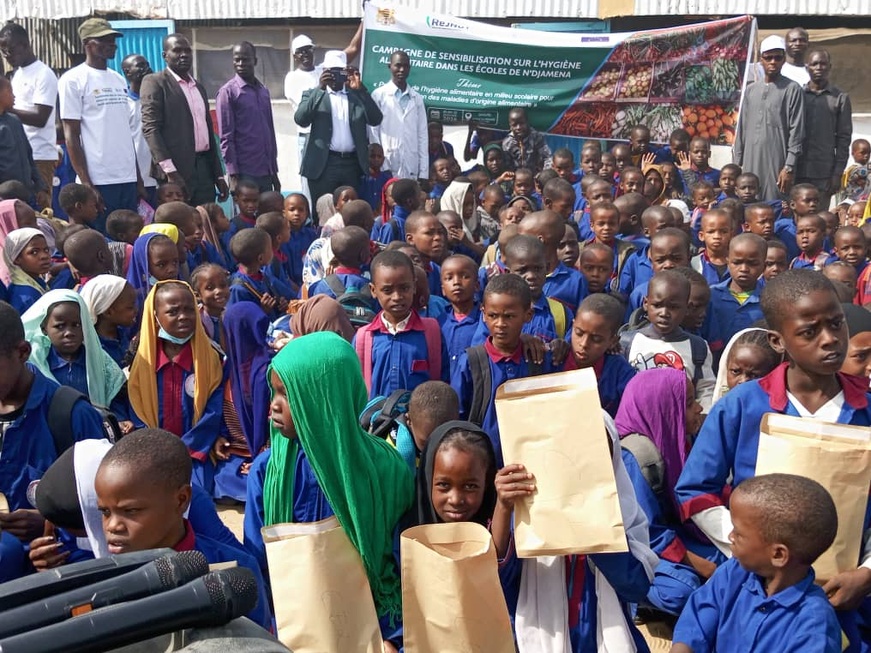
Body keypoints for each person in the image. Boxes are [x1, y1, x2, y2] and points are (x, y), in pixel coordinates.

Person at [244, 331, 412, 648]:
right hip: (294, 624)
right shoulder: (269, 472)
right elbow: (258, 561)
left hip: (371, 625)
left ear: (325, 398)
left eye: (286, 394)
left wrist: (393, 638)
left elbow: (397, 564)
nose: (273, 407)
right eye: (274, 393)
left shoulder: (385, 470)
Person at [94, 429, 271, 629]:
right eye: (105, 512)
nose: (112, 525)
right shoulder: (101, 580)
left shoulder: (235, 572)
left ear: (181, 500)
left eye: (131, 510)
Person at [670, 474, 841, 653]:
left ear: (778, 554)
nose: (730, 537)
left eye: (738, 533)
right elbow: (696, 621)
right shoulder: (734, 572)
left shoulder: (813, 629)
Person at [0, 301, 103, 544]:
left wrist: (52, 524)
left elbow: (106, 513)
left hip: (56, 567)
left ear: (23, 352)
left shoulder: (70, 414)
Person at [616, 369, 712, 616]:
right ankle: (635, 600)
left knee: (734, 563)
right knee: (682, 591)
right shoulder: (634, 458)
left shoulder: (678, 439)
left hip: (675, 535)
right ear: (663, 409)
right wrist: (705, 568)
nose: (699, 409)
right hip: (640, 549)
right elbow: (650, 536)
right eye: (689, 403)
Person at [128, 281, 225, 491]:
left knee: (196, 492)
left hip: (194, 451)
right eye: (173, 311)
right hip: (152, 452)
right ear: (155, 316)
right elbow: (137, 408)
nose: (183, 317)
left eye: (189, 309)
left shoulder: (209, 359)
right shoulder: (143, 363)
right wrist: (156, 447)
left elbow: (213, 409)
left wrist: (186, 447)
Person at [451, 273, 555, 466]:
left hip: (532, 460)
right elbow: (458, 416)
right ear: (483, 313)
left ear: (528, 315)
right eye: (493, 316)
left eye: (509, 316)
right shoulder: (471, 362)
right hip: (483, 463)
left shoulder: (537, 358)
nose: (500, 324)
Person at [59, 18, 138, 234]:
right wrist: (87, 184)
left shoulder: (118, 80)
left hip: (127, 177)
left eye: (112, 40)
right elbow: (71, 135)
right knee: (103, 240)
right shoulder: (73, 79)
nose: (111, 44)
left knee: (128, 238)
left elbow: (125, 131)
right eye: (103, 40)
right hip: (100, 178)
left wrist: (137, 177)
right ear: (87, 43)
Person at [21, 289, 134, 430]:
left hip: (94, 431)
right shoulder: (36, 365)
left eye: (76, 325)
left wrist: (120, 419)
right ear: (44, 329)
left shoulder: (100, 361)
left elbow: (115, 399)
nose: (69, 333)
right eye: (60, 326)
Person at [140, 34, 229, 207]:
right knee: (180, 224)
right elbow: (151, 129)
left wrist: (218, 175)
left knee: (204, 222)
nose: (184, 55)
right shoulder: (155, 82)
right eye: (177, 50)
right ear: (165, 55)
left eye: (187, 51)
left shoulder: (198, 87)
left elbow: (208, 133)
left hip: (204, 169)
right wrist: (171, 172)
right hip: (174, 170)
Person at [352, 250, 446, 398]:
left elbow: (443, 381)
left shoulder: (431, 332)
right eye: (387, 290)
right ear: (373, 290)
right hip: (375, 419)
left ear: (414, 287)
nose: (397, 297)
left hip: (419, 420)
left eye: (404, 288)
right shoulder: (364, 338)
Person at [295, 50, 382, 204]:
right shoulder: (313, 94)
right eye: (331, 71)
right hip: (324, 164)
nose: (335, 75)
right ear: (323, 71)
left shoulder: (356, 94)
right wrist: (320, 88)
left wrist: (361, 90)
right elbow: (301, 120)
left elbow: (376, 119)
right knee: (323, 212)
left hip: (352, 165)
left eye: (339, 71)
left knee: (352, 214)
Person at [620, 269, 716, 409]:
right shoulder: (627, 342)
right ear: (646, 303)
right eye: (657, 305)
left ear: (687, 308)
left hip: (680, 426)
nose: (664, 313)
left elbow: (706, 389)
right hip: (637, 426)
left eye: (674, 307)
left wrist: (702, 417)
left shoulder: (698, 347)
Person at [733, 35, 805, 201]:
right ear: (760, 60)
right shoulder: (751, 90)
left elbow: (797, 131)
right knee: (749, 202)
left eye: (778, 57)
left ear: (784, 59)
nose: (773, 62)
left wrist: (788, 167)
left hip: (777, 160)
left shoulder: (792, 89)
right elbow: (742, 128)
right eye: (768, 57)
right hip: (750, 160)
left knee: (774, 204)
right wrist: (736, 163)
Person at [218, 302, 272, 501]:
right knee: (221, 477)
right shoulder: (227, 368)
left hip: (264, 451)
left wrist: (264, 454)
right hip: (235, 451)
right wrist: (220, 437)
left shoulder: (266, 374)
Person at [0, 23, 57, 210]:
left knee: (40, 211)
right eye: (3, 52)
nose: (7, 56)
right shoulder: (16, 75)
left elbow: (41, 117)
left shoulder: (43, 74)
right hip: (15, 154)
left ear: (25, 45)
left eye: (10, 50)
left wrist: (6, 109)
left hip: (40, 154)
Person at [216, 42, 279, 194]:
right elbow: (226, 137)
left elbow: (269, 133)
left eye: (245, 59)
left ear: (255, 61)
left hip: (266, 171)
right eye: (237, 60)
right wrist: (233, 174)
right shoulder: (228, 92)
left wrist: (274, 172)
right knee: (245, 217)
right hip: (244, 172)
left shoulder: (263, 91)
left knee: (268, 216)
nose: (241, 64)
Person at [563, 293, 637, 417]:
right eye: (579, 333)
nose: (584, 344)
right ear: (573, 325)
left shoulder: (620, 373)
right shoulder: (555, 358)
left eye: (596, 339)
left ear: (612, 341)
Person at [796, 49, 851, 211]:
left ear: (830, 67)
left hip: (823, 173)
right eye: (814, 64)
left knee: (819, 221)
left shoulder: (840, 98)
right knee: (796, 219)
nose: (819, 67)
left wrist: (837, 174)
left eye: (823, 64)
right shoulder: (797, 95)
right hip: (797, 169)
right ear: (807, 68)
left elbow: (843, 139)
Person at [370, 50, 428, 181]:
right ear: (389, 66)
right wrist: (379, 163)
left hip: (411, 165)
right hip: (386, 164)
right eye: (398, 65)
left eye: (405, 66)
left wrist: (423, 172)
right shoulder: (379, 95)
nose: (401, 69)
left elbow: (422, 136)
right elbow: (373, 132)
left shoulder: (416, 98)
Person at [518, 210, 589, 315]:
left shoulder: (575, 281)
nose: (517, 242)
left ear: (540, 240)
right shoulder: (516, 274)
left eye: (521, 238)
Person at [708, 233, 766, 358]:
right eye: (737, 262)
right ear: (728, 261)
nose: (744, 268)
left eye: (752, 263)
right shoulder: (712, 296)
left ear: (764, 266)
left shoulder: (769, 299)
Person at [120, 53, 157, 208]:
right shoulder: (123, 103)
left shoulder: (156, 100)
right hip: (134, 178)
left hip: (156, 178)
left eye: (147, 64)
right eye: (140, 65)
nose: (146, 69)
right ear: (128, 72)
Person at [0, 76, 43, 201]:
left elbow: (28, 155)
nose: (14, 96)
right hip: (5, 195)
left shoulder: (14, 121)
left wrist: (39, 185)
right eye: (10, 92)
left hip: (25, 192)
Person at [711, 327, 782, 404]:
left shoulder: (776, 414)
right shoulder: (720, 412)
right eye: (735, 371)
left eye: (754, 375)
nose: (743, 381)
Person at [79, 274, 137, 366]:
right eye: (130, 307)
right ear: (108, 312)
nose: (136, 310)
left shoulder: (120, 335)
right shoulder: (94, 350)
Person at [5, 227, 49, 313]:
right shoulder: (26, 296)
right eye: (34, 252)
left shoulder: (36, 282)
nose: (44, 256)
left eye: (46, 250)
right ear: (17, 258)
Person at [502, 107, 551, 173]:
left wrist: (543, 174)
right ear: (510, 126)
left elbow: (547, 158)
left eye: (521, 123)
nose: (518, 127)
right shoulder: (507, 143)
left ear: (527, 122)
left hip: (536, 176)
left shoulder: (536, 137)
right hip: (516, 178)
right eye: (515, 125)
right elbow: (507, 166)